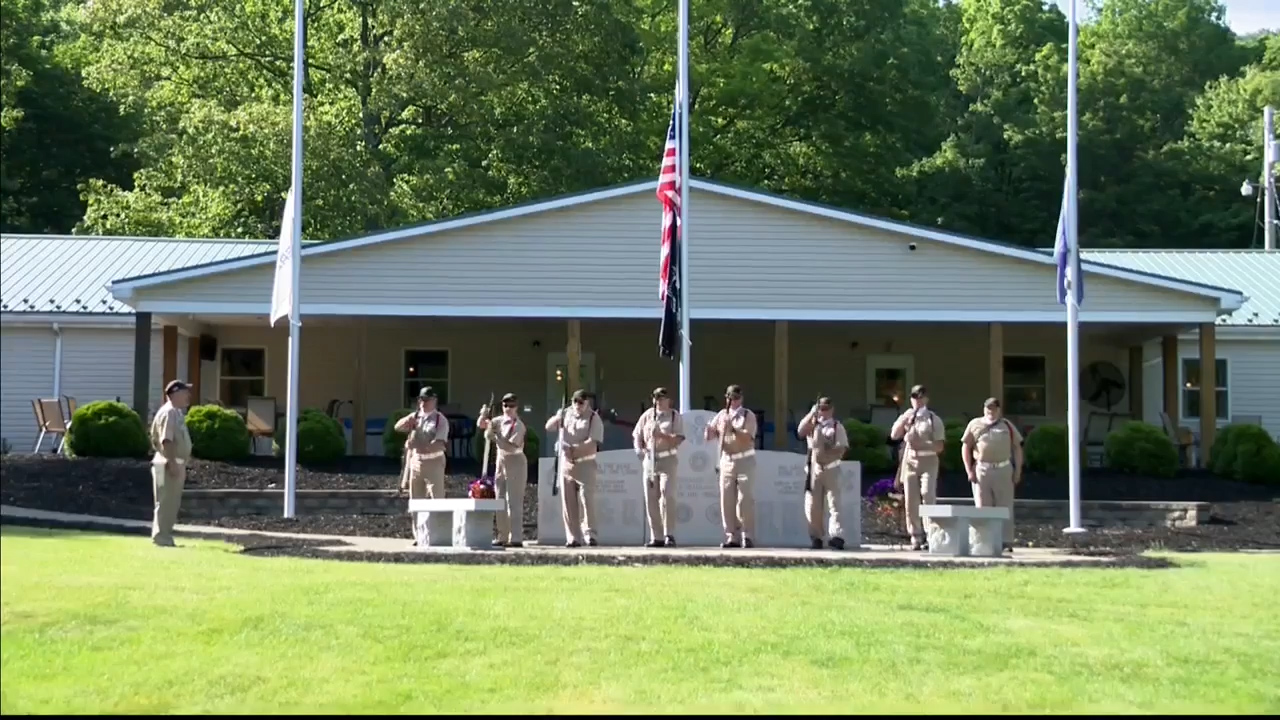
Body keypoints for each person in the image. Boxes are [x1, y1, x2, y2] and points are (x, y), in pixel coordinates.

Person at [962, 397, 1024, 554]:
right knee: (983, 507)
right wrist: (969, 470)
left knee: (1005, 507)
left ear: (999, 410)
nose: (991, 411)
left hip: (1003, 469)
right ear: (984, 409)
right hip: (982, 470)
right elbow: (966, 447)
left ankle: (1006, 541)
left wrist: (1018, 471)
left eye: (994, 408)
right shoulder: (975, 424)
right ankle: (984, 541)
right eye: (988, 408)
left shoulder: (1007, 426)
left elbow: (1017, 448)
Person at [545, 389, 604, 547]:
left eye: (581, 402)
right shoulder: (566, 413)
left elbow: (593, 442)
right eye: (575, 401)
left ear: (587, 403)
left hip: (585, 462)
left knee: (587, 500)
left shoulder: (593, 418)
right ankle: (572, 537)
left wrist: (573, 449)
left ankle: (590, 534)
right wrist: (558, 417)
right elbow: (549, 427)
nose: (578, 405)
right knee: (568, 502)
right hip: (567, 464)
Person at [889, 385, 946, 551]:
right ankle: (915, 536)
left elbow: (939, 446)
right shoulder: (907, 415)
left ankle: (931, 533)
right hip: (910, 460)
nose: (917, 400)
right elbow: (894, 435)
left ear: (926, 399)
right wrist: (905, 422)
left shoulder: (933, 419)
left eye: (921, 397)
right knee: (911, 499)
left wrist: (922, 443)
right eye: (914, 397)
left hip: (928, 459)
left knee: (928, 494)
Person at [704, 384, 758, 548]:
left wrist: (732, 429)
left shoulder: (747, 415)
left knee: (744, 499)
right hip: (727, 460)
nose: (732, 401)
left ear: (741, 398)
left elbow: (748, 438)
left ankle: (746, 535)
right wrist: (709, 430)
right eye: (729, 398)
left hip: (744, 460)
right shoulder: (721, 415)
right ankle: (731, 536)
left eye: (735, 398)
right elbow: (710, 436)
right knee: (726, 499)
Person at [632, 387, 685, 548]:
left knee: (667, 494)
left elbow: (678, 439)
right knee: (651, 498)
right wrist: (639, 450)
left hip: (667, 458)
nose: (658, 401)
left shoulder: (675, 416)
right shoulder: (647, 415)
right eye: (656, 398)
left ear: (669, 400)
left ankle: (669, 534)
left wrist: (661, 435)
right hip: (650, 460)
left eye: (662, 398)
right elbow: (637, 434)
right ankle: (657, 536)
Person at [797, 396, 848, 550]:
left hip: (831, 467)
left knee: (834, 504)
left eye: (826, 409)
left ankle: (837, 535)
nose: (823, 412)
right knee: (813, 506)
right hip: (814, 470)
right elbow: (800, 431)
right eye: (820, 409)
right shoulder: (812, 425)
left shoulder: (836, 426)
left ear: (831, 410)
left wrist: (826, 450)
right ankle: (816, 537)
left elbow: (842, 448)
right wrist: (812, 414)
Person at [478, 393, 527, 547]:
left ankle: (516, 537)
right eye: (505, 405)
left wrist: (495, 436)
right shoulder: (498, 420)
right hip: (501, 461)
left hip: (516, 460)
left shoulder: (518, 425)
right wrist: (483, 414)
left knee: (514, 500)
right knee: (499, 499)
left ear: (516, 407)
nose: (508, 409)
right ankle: (502, 536)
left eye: (511, 406)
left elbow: (512, 446)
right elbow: (482, 425)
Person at [148, 380, 193, 547]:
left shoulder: (175, 412)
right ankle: (162, 537)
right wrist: (172, 462)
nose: (188, 396)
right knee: (166, 502)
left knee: (170, 502)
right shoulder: (169, 413)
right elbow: (166, 440)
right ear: (175, 393)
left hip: (169, 461)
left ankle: (164, 535)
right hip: (168, 463)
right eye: (185, 392)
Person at [395, 387, 450, 500]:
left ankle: (437, 518)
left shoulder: (440, 420)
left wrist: (415, 445)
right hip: (417, 461)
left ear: (434, 400)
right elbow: (397, 427)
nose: (423, 403)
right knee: (415, 499)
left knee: (437, 498)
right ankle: (416, 518)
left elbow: (438, 445)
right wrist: (406, 422)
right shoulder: (415, 416)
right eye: (421, 399)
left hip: (434, 462)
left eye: (427, 400)